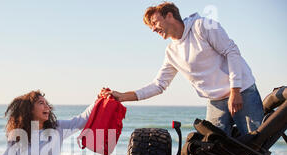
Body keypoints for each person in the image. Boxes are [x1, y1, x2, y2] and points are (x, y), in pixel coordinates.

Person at [105, 2, 264, 137]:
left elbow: (232, 51)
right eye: (150, 26)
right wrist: (122, 97)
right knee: (215, 153)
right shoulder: (171, 52)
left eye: (154, 22)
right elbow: (159, 85)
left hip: (242, 91)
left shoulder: (201, 26)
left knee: (256, 147)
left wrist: (235, 90)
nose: (153, 29)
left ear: (169, 16)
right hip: (215, 101)